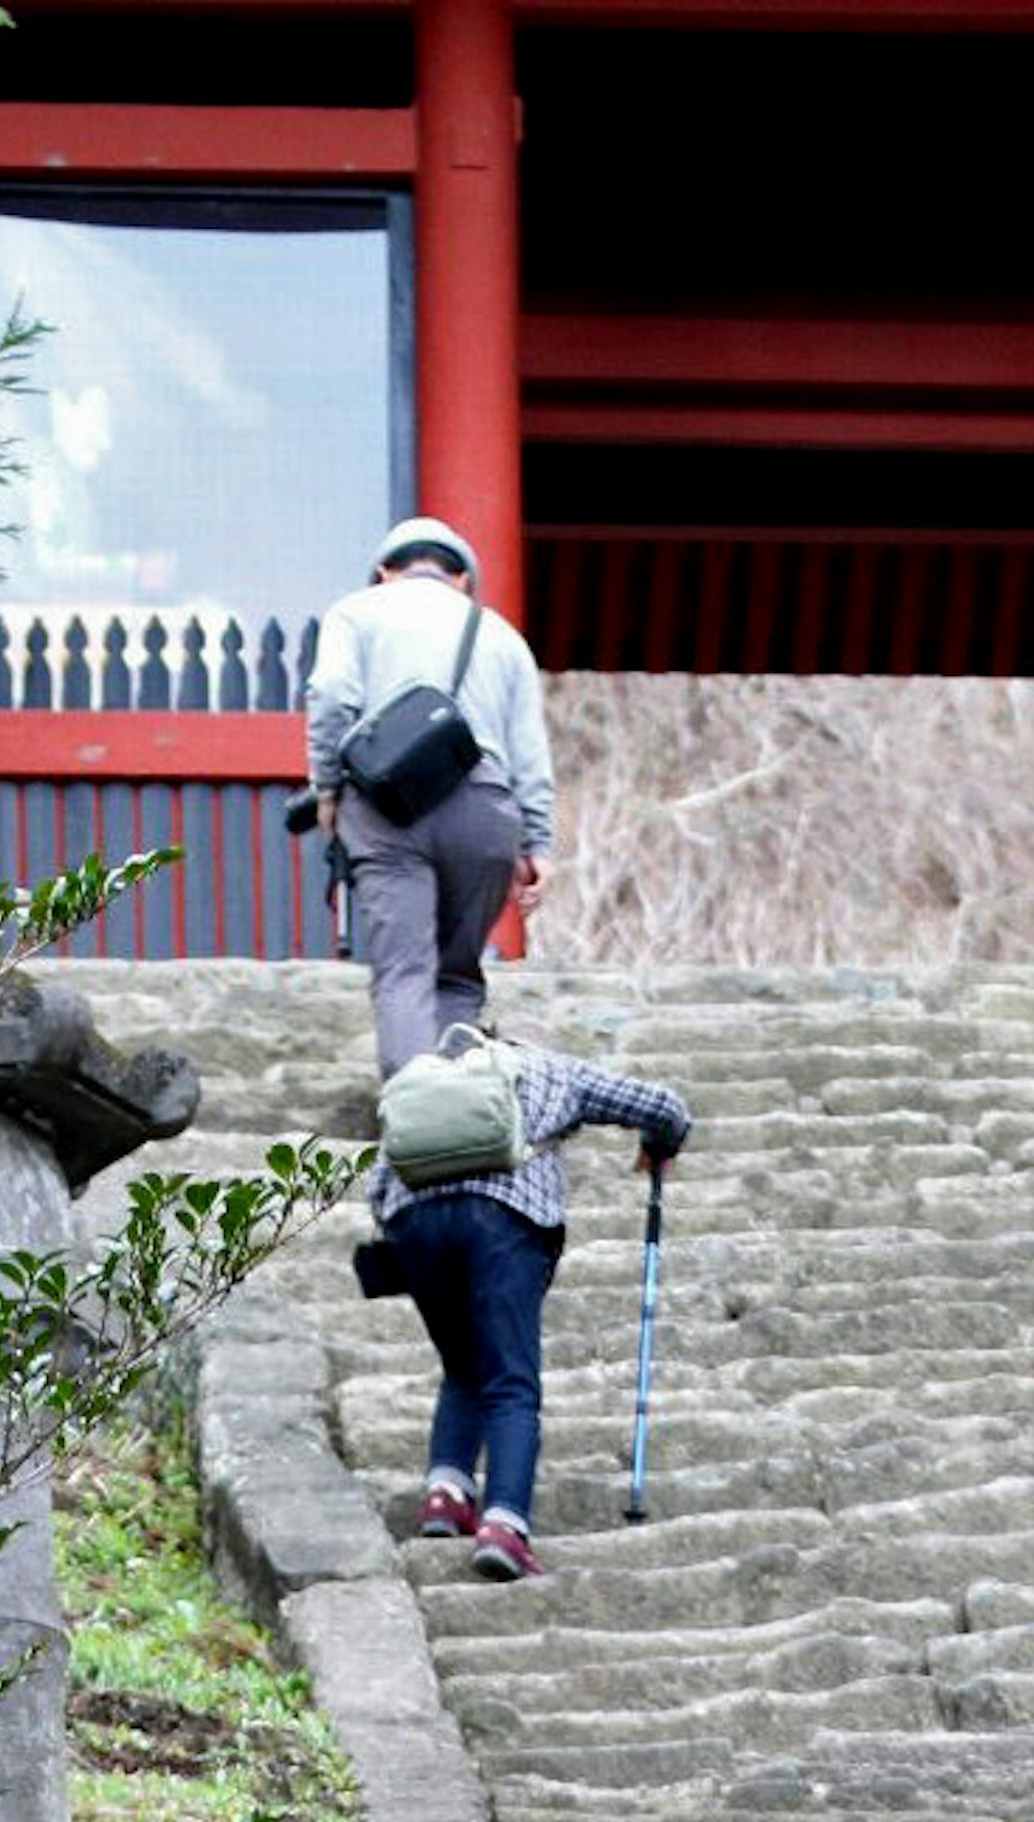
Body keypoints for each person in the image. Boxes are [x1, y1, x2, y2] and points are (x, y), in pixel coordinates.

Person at [363, 1042, 692, 1581]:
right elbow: (662, 1106)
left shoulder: (419, 1083)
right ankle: (505, 1526)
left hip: (414, 1225)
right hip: (504, 1220)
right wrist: (661, 1144)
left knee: (463, 1366)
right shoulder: (545, 1067)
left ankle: (446, 1494)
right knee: (511, 1380)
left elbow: (379, 1183)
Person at [305, 516, 559, 1076]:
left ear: (384, 572)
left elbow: (329, 698)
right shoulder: (500, 635)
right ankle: (460, 1110)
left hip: (384, 808)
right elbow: (529, 751)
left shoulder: (356, 612)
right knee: (456, 973)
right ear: (463, 578)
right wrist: (539, 842)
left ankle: (413, 1111)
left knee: (404, 969)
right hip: (485, 806)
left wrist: (326, 787)